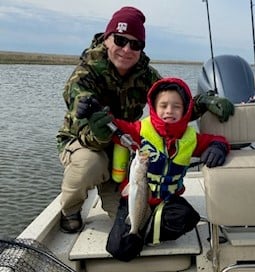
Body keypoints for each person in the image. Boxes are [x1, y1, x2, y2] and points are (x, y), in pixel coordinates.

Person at [56, 6, 234, 233]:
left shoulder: (145, 74)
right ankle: (70, 209)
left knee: (125, 221)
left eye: (135, 44)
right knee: (92, 163)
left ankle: (117, 197)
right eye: (120, 40)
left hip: (123, 147)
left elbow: (169, 105)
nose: (127, 49)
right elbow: (87, 133)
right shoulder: (83, 76)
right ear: (107, 38)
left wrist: (203, 102)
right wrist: (101, 132)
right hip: (85, 143)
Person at [106, 77, 230, 261]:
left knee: (189, 217)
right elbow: (117, 129)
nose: (169, 111)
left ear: (186, 109)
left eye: (176, 106)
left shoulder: (191, 138)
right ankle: (140, 227)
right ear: (154, 107)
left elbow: (216, 140)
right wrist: (99, 116)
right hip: (135, 199)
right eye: (163, 105)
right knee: (119, 249)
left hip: (168, 201)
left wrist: (218, 147)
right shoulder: (140, 130)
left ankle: (145, 231)